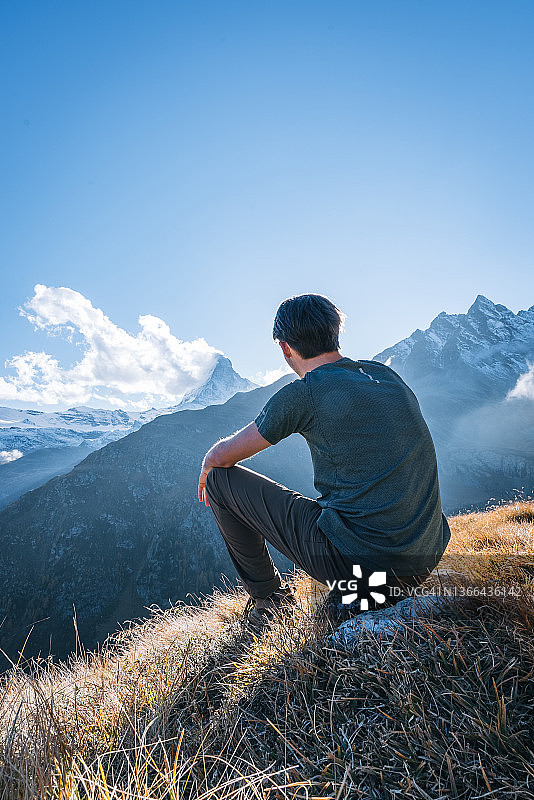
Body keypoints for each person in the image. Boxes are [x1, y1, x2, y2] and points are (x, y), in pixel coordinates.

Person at [198, 293, 451, 629]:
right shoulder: (386, 375)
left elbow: (222, 457)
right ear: (335, 332)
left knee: (219, 481)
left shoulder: (304, 393)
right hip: (424, 558)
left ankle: (270, 602)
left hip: (363, 567)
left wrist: (207, 463)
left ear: (285, 348)